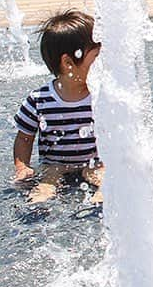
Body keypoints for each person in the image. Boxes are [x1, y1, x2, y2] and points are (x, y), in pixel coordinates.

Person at [12, 10, 103, 204]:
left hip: (93, 163)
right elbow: (24, 139)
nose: (103, 62)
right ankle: (38, 204)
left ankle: (102, 200)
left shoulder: (101, 95)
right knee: (48, 179)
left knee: (101, 174)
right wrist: (22, 167)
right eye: (96, 56)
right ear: (68, 62)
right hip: (55, 164)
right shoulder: (39, 100)